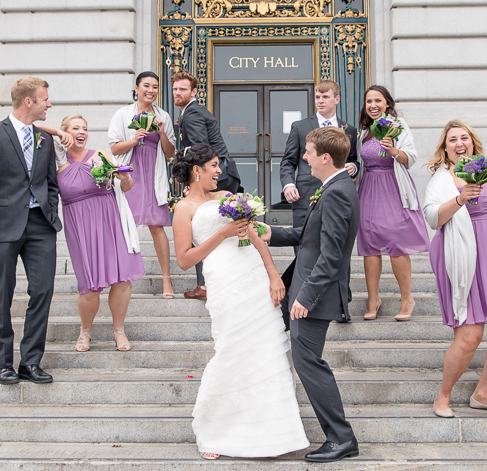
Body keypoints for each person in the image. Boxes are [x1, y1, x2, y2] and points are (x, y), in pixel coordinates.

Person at [171, 143, 308, 461]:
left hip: (254, 275)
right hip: (223, 279)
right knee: (232, 348)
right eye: (214, 166)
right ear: (197, 170)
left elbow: (254, 236)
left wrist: (273, 274)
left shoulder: (226, 196)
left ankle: (273, 434)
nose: (220, 171)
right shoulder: (183, 209)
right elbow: (184, 259)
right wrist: (222, 234)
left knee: (266, 349)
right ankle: (217, 431)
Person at [264, 127, 360, 463]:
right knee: (306, 362)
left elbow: (331, 256)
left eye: (308, 152)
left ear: (325, 157)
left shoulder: (336, 193)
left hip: (315, 295)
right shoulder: (333, 187)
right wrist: (269, 232)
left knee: (309, 364)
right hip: (306, 287)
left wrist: (306, 297)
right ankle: (339, 436)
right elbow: (308, 238)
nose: (303, 158)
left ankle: (341, 438)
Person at [422, 119, 487, 418]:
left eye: (464, 138)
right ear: (445, 148)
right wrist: (459, 199)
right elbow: (432, 218)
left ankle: (482, 394)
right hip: (463, 257)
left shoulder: (481, 170)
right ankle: (443, 397)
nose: (459, 143)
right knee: (469, 336)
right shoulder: (442, 180)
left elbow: (486, 163)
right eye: (453, 140)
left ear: (472, 143)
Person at [0, 77, 62, 385]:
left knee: (42, 291)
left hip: (40, 225)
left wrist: (50, 210)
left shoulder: (44, 139)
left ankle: (30, 362)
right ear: (29, 101)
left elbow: (51, 183)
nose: (49, 104)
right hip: (2, 224)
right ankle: (4, 363)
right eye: (45, 99)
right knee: (2, 294)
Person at [42, 114, 145, 352]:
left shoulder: (100, 155)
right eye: (75, 128)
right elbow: (33, 126)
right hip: (80, 227)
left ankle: (118, 330)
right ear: (66, 132)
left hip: (110, 221)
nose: (82, 132)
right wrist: (58, 133)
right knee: (89, 285)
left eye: (85, 128)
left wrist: (124, 177)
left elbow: (126, 186)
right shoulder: (57, 162)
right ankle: (85, 331)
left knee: (122, 279)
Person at [355, 85, 429, 321]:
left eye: (378, 100)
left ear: (387, 103)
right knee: (369, 244)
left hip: (393, 186)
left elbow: (411, 158)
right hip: (369, 188)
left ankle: (407, 298)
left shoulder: (398, 126)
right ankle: (373, 299)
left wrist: (394, 150)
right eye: (369, 101)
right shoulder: (364, 131)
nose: (373, 105)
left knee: (396, 241)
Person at [172, 70, 241, 301]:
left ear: (194, 92)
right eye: (175, 89)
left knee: (201, 230)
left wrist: (192, 182)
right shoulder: (195, 111)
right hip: (222, 173)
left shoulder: (191, 114)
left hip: (214, 176)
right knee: (213, 229)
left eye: (183, 89)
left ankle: (205, 285)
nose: (177, 93)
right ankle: (213, 282)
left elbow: (200, 150)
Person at [107, 71, 176, 299]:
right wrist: (133, 140)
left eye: (155, 86)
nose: (151, 90)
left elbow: (170, 153)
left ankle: (166, 280)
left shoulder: (162, 115)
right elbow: (114, 148)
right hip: (131, 174)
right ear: (136, 88)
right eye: (146, 85)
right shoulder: (123, 114)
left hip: (153, 175)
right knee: (126, 226)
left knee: (157, 227)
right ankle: (124, 278)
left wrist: (162, 132)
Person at [280, 80, 359, 230]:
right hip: (305, 196)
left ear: (337, 99)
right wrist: (288, 185)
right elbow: (288, 161)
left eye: (325, 97)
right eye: (317, 97)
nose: (320, 101)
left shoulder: (349, 130)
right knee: (303, 241)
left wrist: (354, 167)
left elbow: (353, 159)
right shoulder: (299, 127)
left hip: (338, 197)